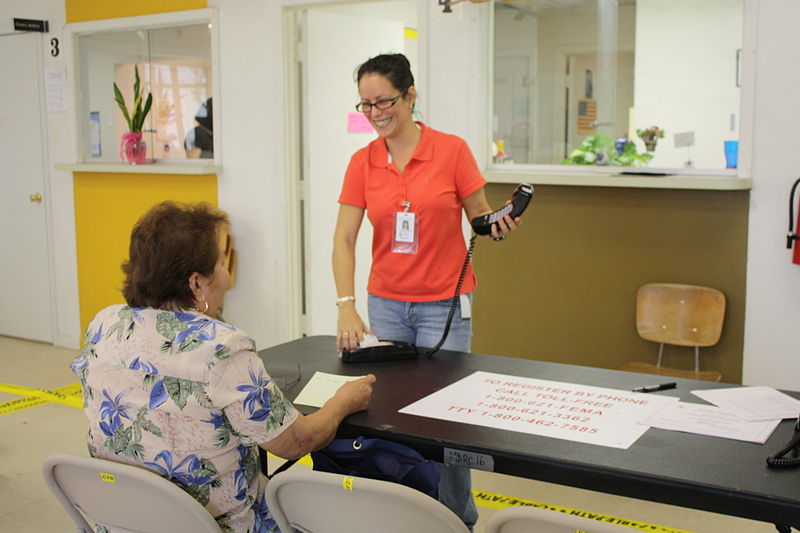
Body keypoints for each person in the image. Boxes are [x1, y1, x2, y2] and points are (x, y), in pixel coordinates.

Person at [72, 201, 375, 533]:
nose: (227, 277)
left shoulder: (104, 324)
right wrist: (343, 401)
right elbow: (296, 443)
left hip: (124, 519)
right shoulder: (223, 348)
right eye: (221, 264)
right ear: (197, 283)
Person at [331, 53, 520, 529]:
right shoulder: (362, 162)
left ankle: (459, 518)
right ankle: (406, 514)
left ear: (410, 96)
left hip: (445, 306)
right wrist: (346, 307)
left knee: (450, 424)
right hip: (387, 305)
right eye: (366, 104)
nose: (375, 113)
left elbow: (479, 218)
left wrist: (498, 224)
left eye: (385, 101)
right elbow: (344, 239)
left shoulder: (451, 151)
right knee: (393, 417)